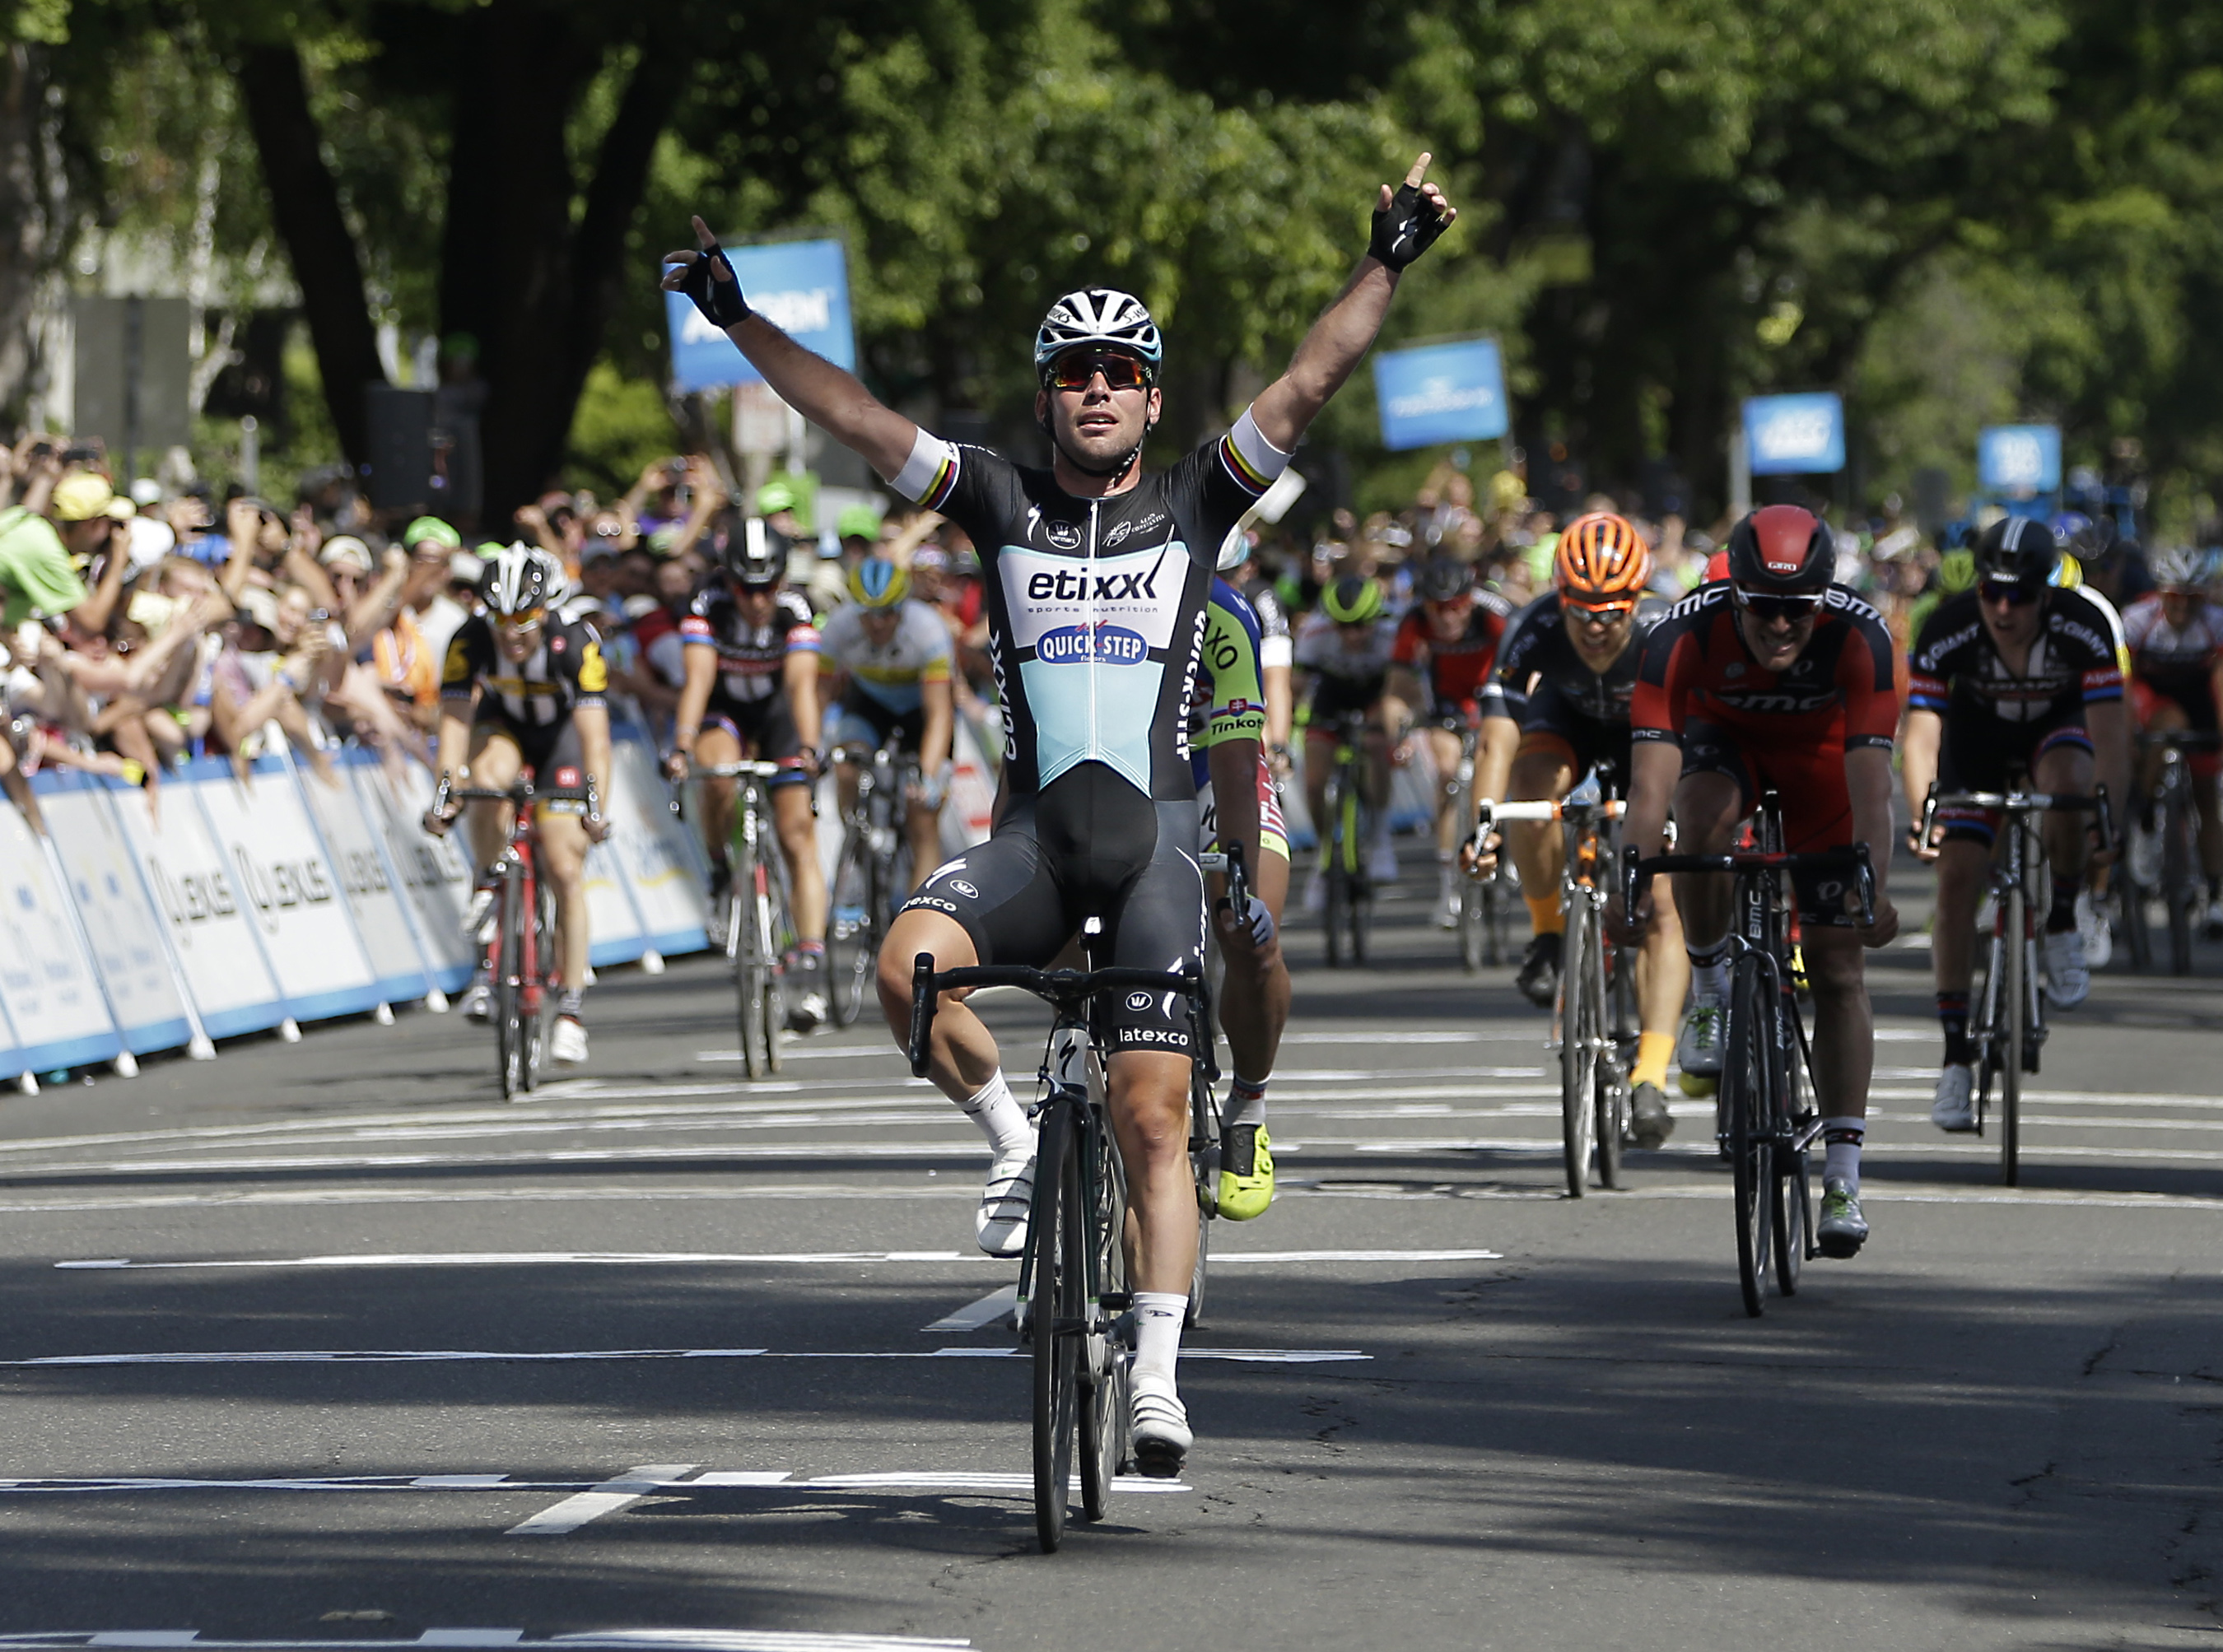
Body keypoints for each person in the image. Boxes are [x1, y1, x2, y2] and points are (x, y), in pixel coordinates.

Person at [662, 150, 1454, 1477]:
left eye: (1120, 370)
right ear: (1049, 398)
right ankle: (1017, 1147)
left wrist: (1386, 258)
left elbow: (1312, 378)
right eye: (1074, 370)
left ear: (1151, 397)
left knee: (1154, 1116)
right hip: (1034, 843)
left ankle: (1153, 1374)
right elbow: (851, 416)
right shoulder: (995, 497)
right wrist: (736, 319)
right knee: (902, 970)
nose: (1096, 386)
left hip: (1152, 848)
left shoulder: (1197, 495)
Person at [1621, 505, 1900, 1257]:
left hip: (1823, 768)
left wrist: (1872, 881)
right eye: (1765, 609)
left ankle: (1842, 1171)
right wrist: (1630, 877)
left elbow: (1874, 790)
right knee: (1701, 822)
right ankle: (1711, 989)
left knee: (1841, 968)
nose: (1783, 626)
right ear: (1735, 594)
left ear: (1823, 600)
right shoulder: (1679, 633)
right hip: (1724, 746)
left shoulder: (1863, 636)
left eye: (1799, 611)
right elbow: (1650, 792)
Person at [1902, 516, 2129, 1129]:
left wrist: (2108, 813)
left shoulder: (2083, 624)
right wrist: (1926, 810)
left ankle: (2060, 921)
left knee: (2069, 789)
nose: (2004, 608)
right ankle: (1954, 1056)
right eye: (1990, 592)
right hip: (1975, 744)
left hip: (2055, 732)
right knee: (1956, 879)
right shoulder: (1948, 629)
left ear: (2045, 593)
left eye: (2019, 595)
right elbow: (1921, 735)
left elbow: (2110, 733)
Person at [1468, 511, 1686, 1146]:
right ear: (1559, 596)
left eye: (1611, 610)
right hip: (1564, 717)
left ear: (1636, 600)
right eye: (1580, 609)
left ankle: (1651, 1076)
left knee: (1662, 901)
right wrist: (1484, 827)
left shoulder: (1664, 630)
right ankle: (1547, 930)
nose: (1594, 625)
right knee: (1532, 788)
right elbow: (1495, 741)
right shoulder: (1532, 626)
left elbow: (1686, 743)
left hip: (1648, 730)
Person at [423, 545, 612, 1066]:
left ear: (546, 609)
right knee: (484, 781)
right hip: (504, 730)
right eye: (502, 619)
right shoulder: (470, 638)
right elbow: (455, 722)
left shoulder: (576, 641)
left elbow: (596, 738)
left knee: (562, 864)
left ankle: (570, 1010)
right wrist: (445, 791)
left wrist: (595, 804)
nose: (512, 632)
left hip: (561, 742)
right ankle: (489, 885)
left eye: (524, 621)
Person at [663, 519, 832, 1031]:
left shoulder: (795, 607)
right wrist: (682, 744)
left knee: (798, 832)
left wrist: (808, 748)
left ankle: (810, 953)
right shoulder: (707, 602)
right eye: (746, 588)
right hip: (724, 710)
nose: (758, 600)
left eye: (768, 587)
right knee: (716, 774)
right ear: (728, 580)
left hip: (777, 714)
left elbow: (803, 687)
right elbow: (698, 679)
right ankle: (719, 865)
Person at [1192, 575, 1288, 1220]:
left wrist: (1237, 874)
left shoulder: (1222, 610)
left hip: (1213, 770)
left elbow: (1235, 761)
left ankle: (1248, 1104)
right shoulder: (1068, 594)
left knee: (1248, 934)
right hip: (1120, 779)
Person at [1387, 556, 1513, 926]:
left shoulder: (1494, 614)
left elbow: (1527, 665)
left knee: (1505, 758)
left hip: (1495, 690)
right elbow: (1397, 683)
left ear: (1469, 601)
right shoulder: (1413, 621)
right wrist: (1401, 731)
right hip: (1449, 701)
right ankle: (1449, 887)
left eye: (1455, 608)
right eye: (1436, 609)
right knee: (1446, 772)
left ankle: (1505, 841)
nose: (1446, 619)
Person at [818, 556, 956, 887]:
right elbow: (819, 694)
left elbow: (939, 713)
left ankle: (919, 906)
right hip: (870, 703)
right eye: (868, 614)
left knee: (922, 813)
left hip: (919, 711)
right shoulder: (838, 627)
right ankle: (856, 843)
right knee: (847, 766)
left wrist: (928, 775)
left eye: (888, 613)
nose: (878, 624)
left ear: (903, 606)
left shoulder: (928, 630)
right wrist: (816, 746)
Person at [2119, 547, 2223, 927]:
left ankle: (2214, 892)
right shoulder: (2136, 619)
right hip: (2151, 697)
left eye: (2192, 600)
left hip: (2197, 695)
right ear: (2161, 595)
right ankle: (2146, 817)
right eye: (2175, 599)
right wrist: (2127, 735)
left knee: (2207, 796)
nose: (2182, 609)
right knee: (2168, 723)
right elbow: (2124, 683)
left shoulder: (2216, 622)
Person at [1293, 573, 1403, 903]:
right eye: (1343, 627)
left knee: (1375, 743)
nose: (1353, 635)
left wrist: (1398, 729)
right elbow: (1296, 687)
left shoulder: (1391, 633)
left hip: (1375, 696)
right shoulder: (1314, 633)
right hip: (1331, 697)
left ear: (1375, 619)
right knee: (1314, 782)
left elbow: (1401, 688)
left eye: (1360, 626)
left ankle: (1380, 836)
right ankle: (1323, 856)